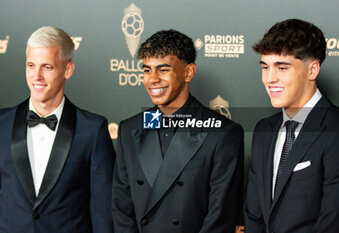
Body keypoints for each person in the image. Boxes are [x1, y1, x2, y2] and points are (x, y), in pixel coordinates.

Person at [112, 29, 244, 233]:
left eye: (163, 70)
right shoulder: (130, 129)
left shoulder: (223, 133)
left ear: (188, 72)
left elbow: (220, 216)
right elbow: (122, 209)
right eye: (147, 70)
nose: (152, 79)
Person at [0, 26, 115, 233]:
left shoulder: (92, 130)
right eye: (31, 65)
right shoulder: (2, 123)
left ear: (67, 70)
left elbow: (103, 210)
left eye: (47, 67)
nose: (36, 76)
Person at [244, 19, 339, 233]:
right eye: (265, 67)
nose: (269, 79)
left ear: (312, 70)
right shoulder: (264, 130)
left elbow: (335, 221)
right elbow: (254, 214)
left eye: (282, 67)